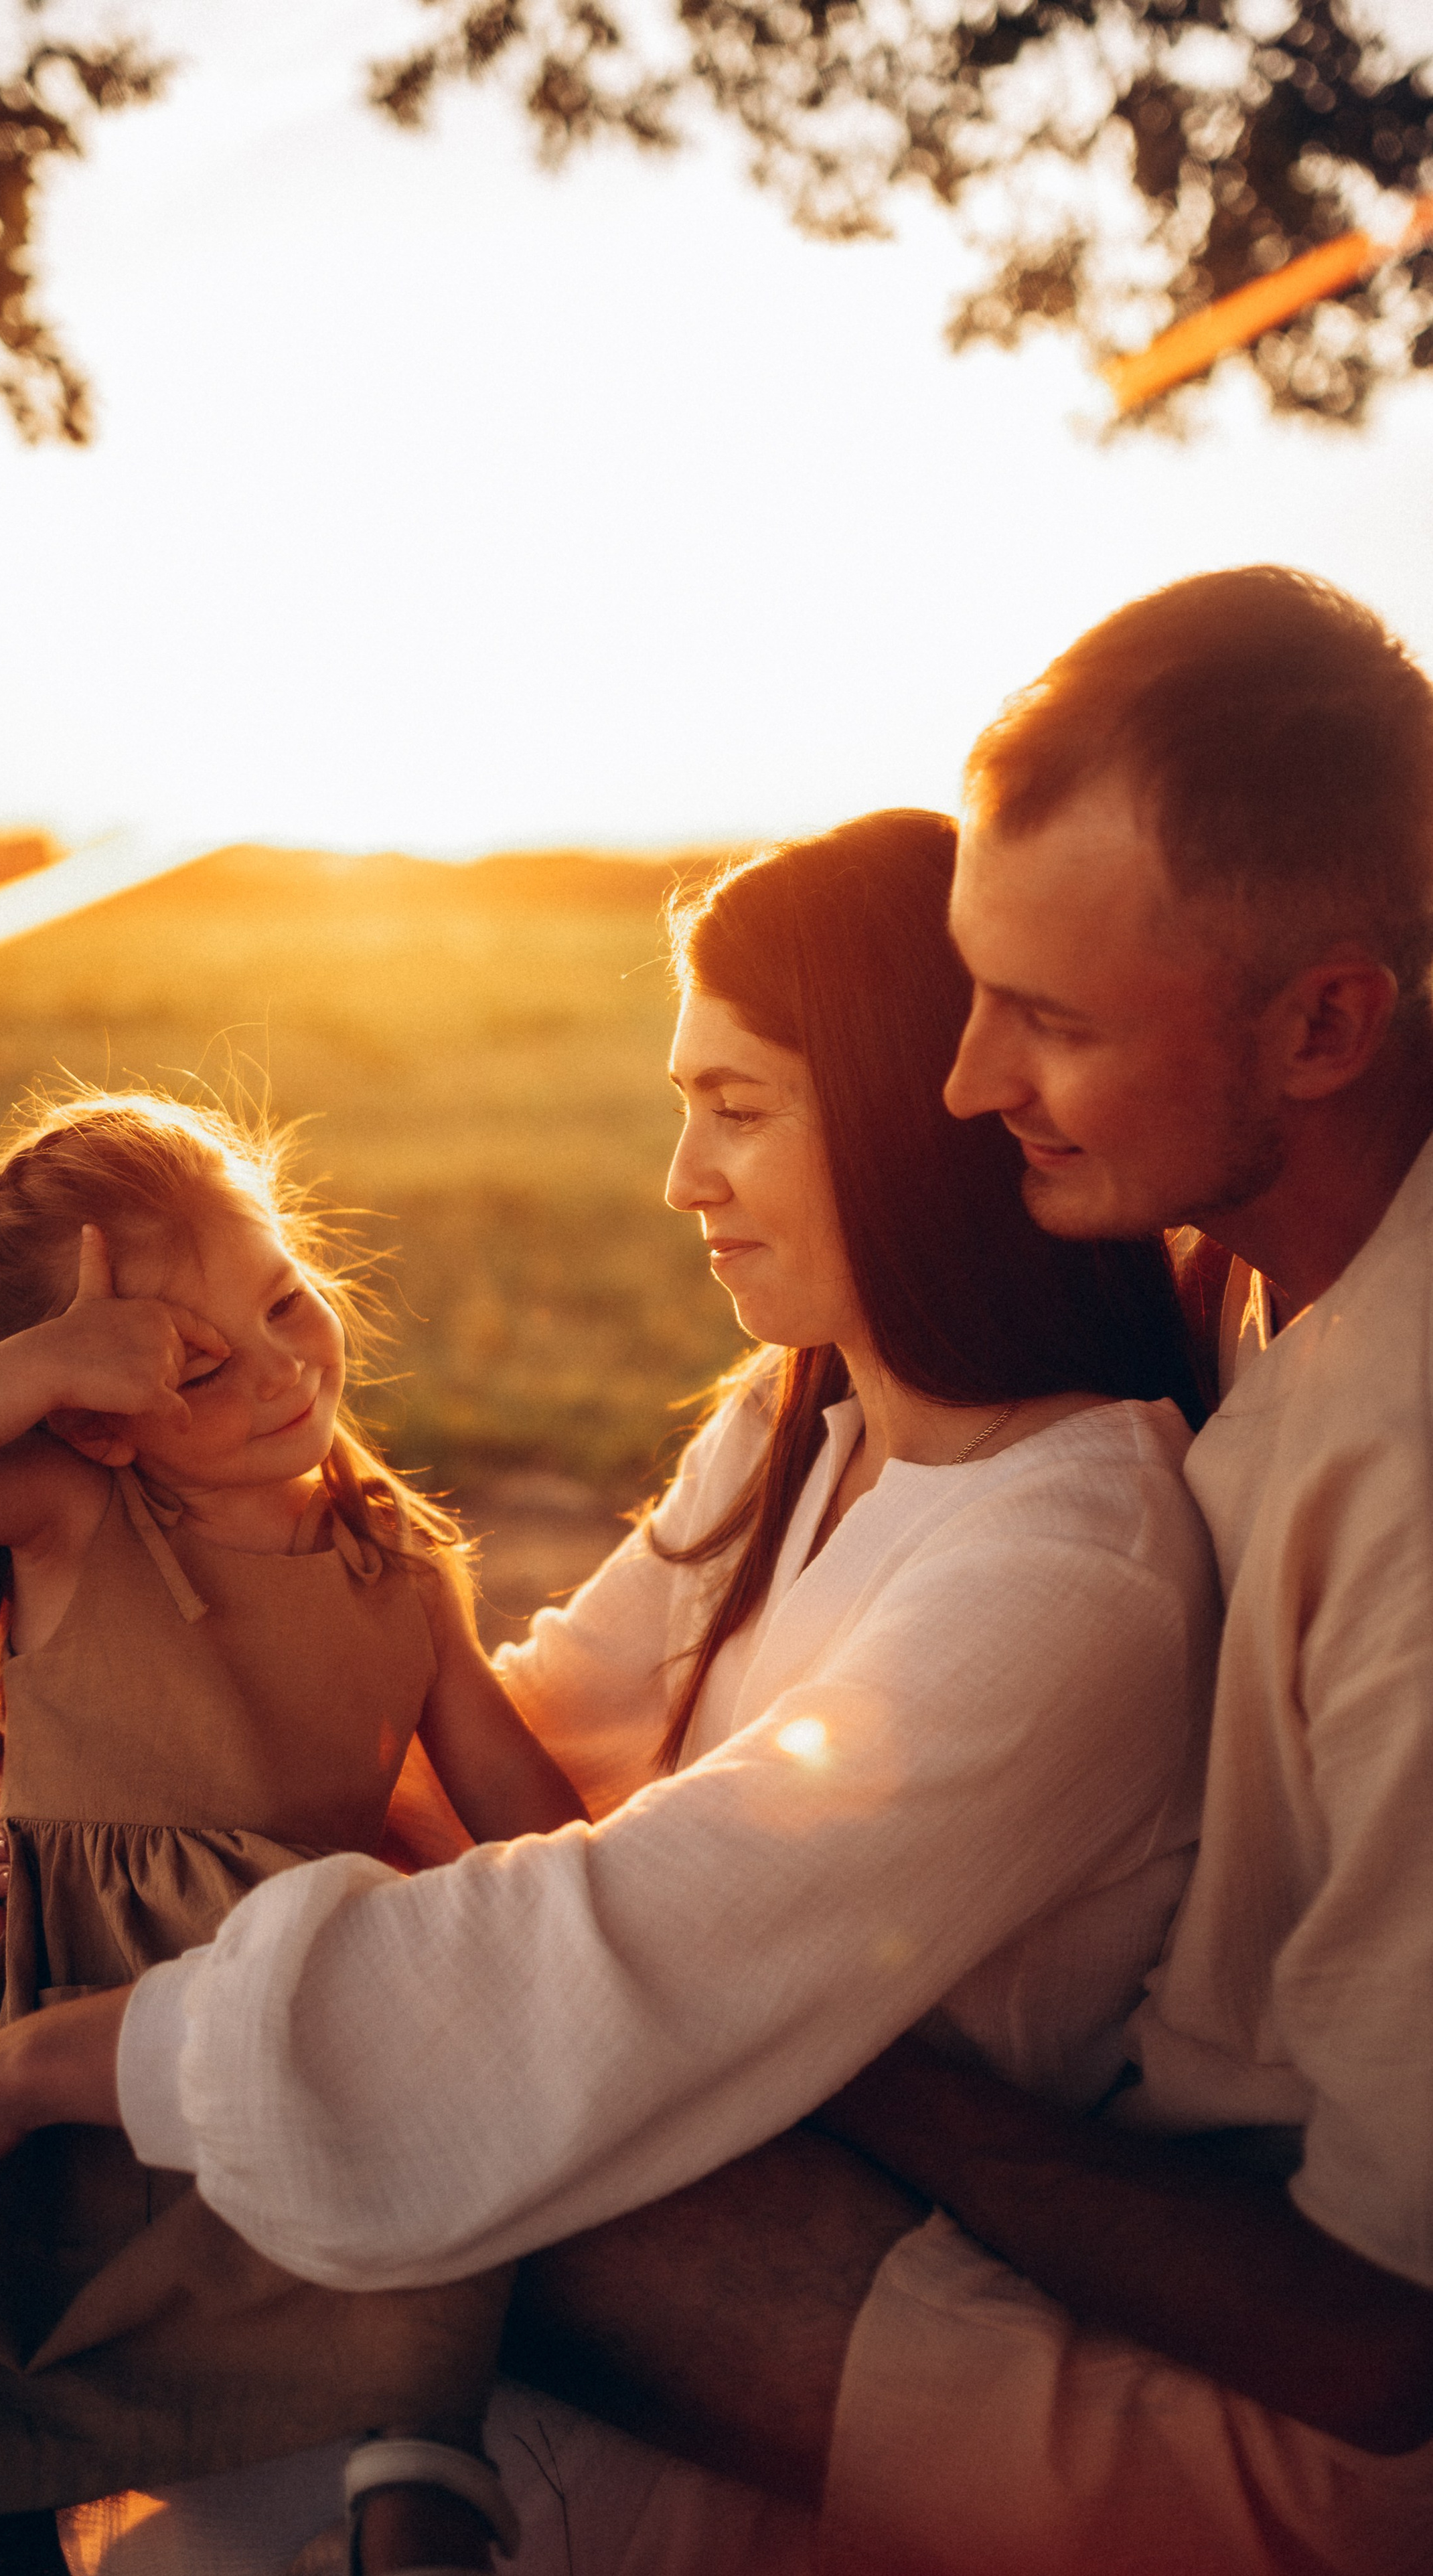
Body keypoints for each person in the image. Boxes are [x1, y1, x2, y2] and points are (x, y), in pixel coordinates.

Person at [0, 811, 1221, 2572]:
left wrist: (46, 2062)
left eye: (736, 1107)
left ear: (913, 1110)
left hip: (679, 2298)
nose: (681, 1177)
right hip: (511, 2175)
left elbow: (611, 1938)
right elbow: (517, 1746)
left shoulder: (1066, 1564)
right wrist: (186, 1793)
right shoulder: (801, 1419)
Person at [0, 1089, 589, 2574]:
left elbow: (530, 1823)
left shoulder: (398, 1566)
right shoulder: (80, 1510)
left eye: (284, 1298)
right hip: (47, 2033)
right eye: (196, 1362)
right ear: (88, 1413)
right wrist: (50, 1360)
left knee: (431, 2173)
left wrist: (600, 1927)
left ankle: (414, 2473)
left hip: (254, 2023)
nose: (279, 1366)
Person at [804, 567, 1433, 2573]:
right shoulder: (1231, 1260)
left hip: (1337, 2432)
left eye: (1051, 1022)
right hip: (1148, 2171)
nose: (962, 1081)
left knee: (523, 2194)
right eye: (972, 983)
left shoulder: (1411, 1494)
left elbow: (1383, 2336)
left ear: (1326, 1021)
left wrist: (835, 2059)